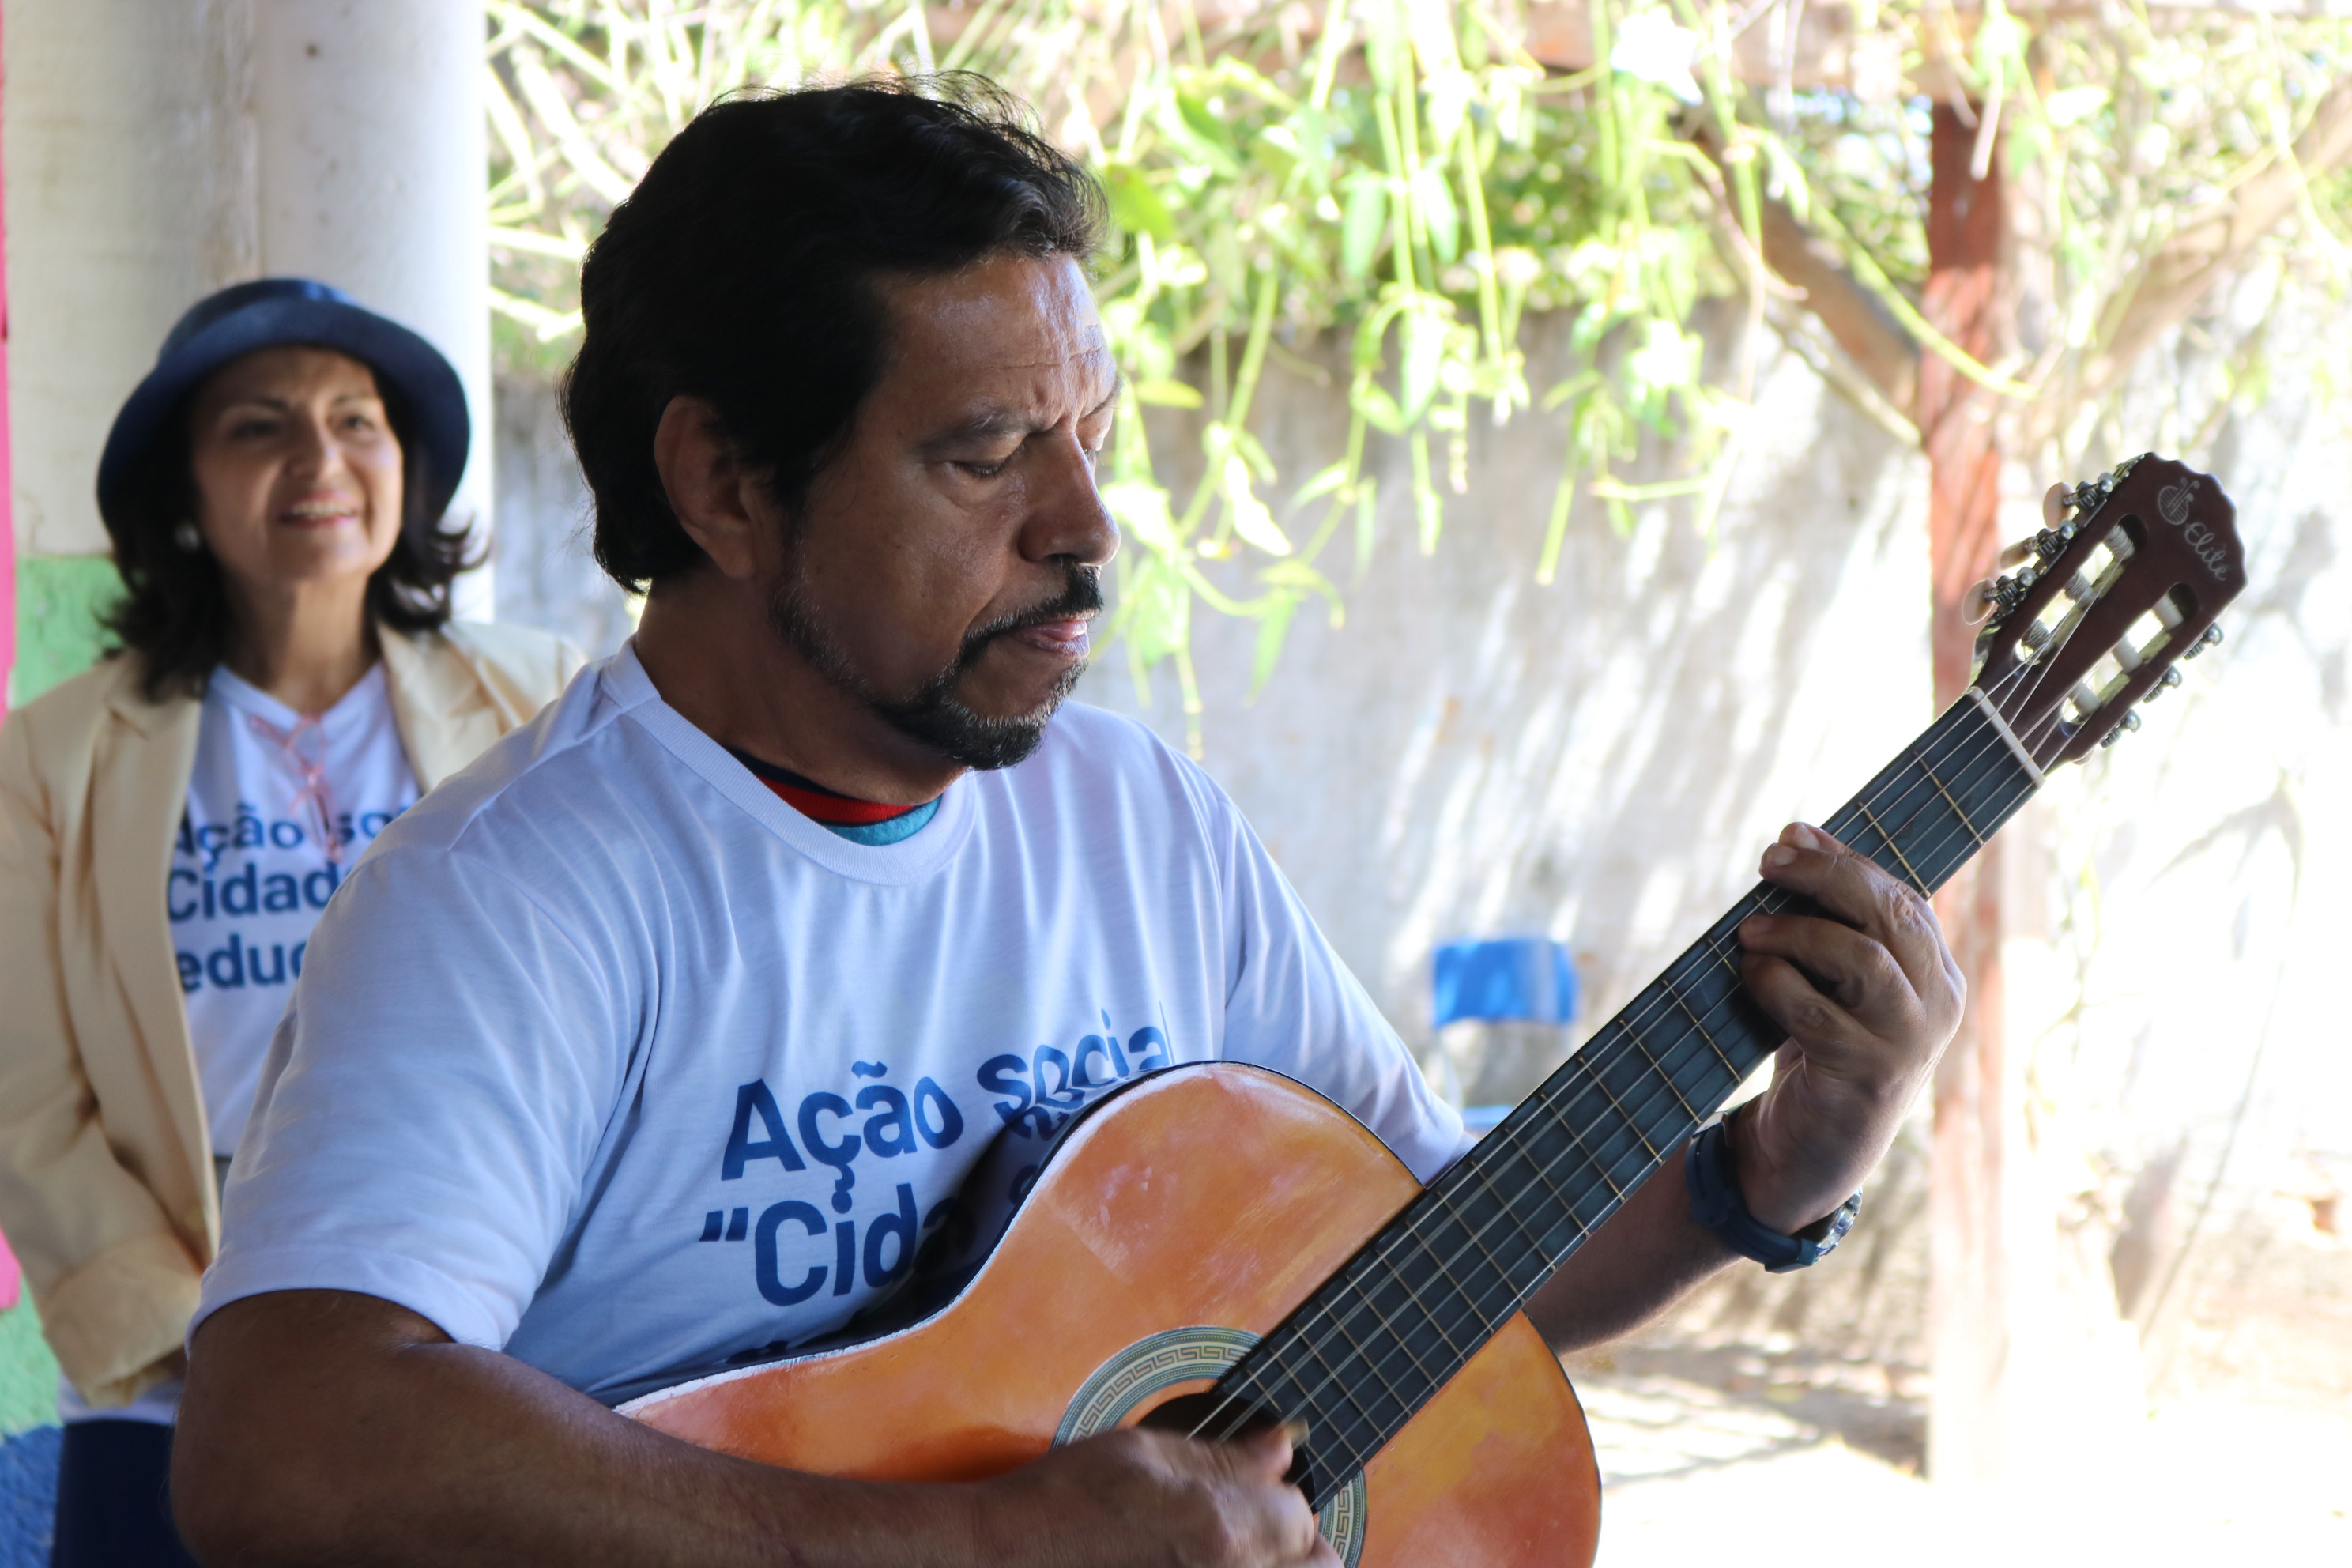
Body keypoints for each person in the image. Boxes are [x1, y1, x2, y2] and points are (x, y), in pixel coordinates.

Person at [172, 81, 1962, 1568]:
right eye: (986, 454)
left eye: (1089, 434)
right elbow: (284, 1441)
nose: (1089, 526)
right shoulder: (513, 896)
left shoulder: (1140, 822)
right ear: (723, 482)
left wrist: (1772, 1170)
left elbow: (1440, 1269)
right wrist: (977, 1541)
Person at [0, 278, 582, 1566]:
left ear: (405, 466)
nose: (319, 458)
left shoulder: (542, 704)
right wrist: (199, 1333)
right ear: (185, 490)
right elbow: (24, 1096)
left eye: (355, 420)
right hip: (172, 1378)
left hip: (482, 1339)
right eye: (258, 426)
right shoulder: (52, 758)